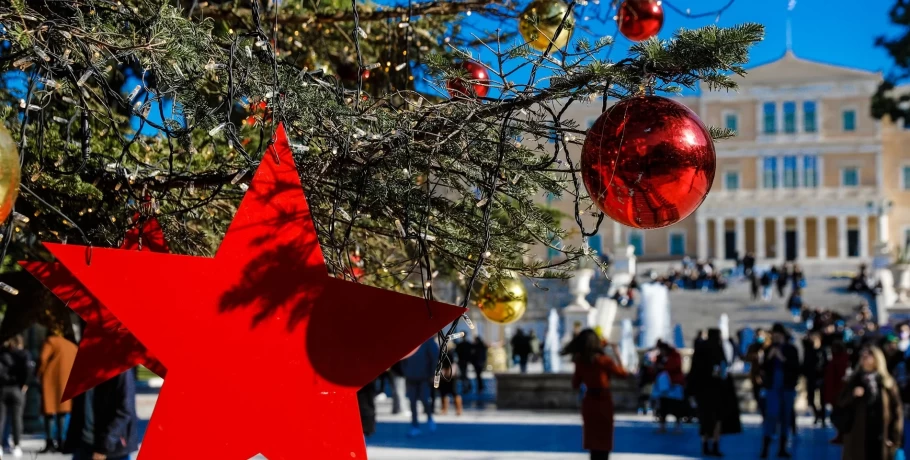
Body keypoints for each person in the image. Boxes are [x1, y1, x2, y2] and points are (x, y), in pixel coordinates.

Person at [566, 329, 627, 460]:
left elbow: (575, 384)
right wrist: (617, 353)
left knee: (593, 440)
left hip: (589, 401)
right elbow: (623, 374)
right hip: (604, 400)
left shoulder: (580, 361)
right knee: (604, 440)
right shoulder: (604, 360)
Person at [837, 346, 903, 460]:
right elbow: (840, 403)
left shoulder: (887, 382)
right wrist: (852, 395)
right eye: (863, 355)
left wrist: (895, 437)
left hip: (881, 434)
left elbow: (897, 410)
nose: (864, 358)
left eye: (869, 355)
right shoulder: (853, 380)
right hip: (857, 435)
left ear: (877, 359)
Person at [62, 368, 139, 460]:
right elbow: (78, 409)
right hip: (84, 445)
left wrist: (104, 446)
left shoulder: (120, 370)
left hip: (113, 447)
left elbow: (125, 411)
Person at [688, 328, 742, 457]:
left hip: (704, 392)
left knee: (706, 419)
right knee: (716, 419)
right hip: (716, 391)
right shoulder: (717, 349)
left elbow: (694, 371)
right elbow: (723, 369)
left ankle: (705, 444)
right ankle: (715, 445)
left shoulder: (701, 349)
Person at [759, 323, 800, 458]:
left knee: (785, 418)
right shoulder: (769, 349)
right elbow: (764, 367)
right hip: (773, 388)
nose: (775, 338)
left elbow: (796, 368)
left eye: (778, 335)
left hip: (787, 388)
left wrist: (782, 357)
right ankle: (765, 448)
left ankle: (782, 448)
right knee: (771, 416)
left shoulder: (791, 349)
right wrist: (770, 356)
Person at [38, 329, 77, 453]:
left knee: (49, 413)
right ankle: (62, 441)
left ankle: (50, 441)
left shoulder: (51, 342)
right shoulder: (72, 346)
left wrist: (39, 374)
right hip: (66, 384)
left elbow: (42, 359)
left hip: (50, 383)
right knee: (62, 413)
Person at [400, 337, 439, 437]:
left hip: (424, 376)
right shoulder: (408, 341)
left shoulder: (428, 341)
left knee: (424, 399)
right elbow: (402, 357)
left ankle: (429, 418)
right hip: (411, 376)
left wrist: (432, 374)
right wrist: (405, 371)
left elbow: (434, 357)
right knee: (412, 401)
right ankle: (415, 425)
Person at [0, 336, 30, 458]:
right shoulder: (23, 354)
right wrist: (26, 383)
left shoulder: (2, 353)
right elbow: (29, 368)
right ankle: (17, 445)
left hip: (2, 388)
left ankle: (1, 446)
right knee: (17, 419)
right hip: (17, 388)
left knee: (1, 419)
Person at [652, 340, 686, 432]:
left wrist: (663, 367)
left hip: (674, 384)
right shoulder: (660, 357)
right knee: (663, 406)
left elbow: (676, 366)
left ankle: (677, 425)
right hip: (663, 386)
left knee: (676, 406)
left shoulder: (675, 356)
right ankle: (662, 425)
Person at [802, 332, 828, 427]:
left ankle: (823, 418)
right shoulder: (808, 350)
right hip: (811, 377)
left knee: (822, 400)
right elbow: (805, 363)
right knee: (811, 399)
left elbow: (826, 364)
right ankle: (817, 415)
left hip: (821, 377)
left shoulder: (824, 350)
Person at [746, 329, 771, 416]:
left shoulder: (768, 346)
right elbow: (747, 357)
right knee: (756, 394)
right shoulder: (752, 347)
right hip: (755, 374)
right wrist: (755, 356)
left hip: (765, 375)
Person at [437, 342, 463, 416]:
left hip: (452, 376)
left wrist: (450, 373)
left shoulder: (452, 353)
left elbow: (454, 364)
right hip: (443, 375)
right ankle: (444, 409)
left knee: (454, 392)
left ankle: (458, 409)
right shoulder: (441, 354)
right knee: (443, 392)